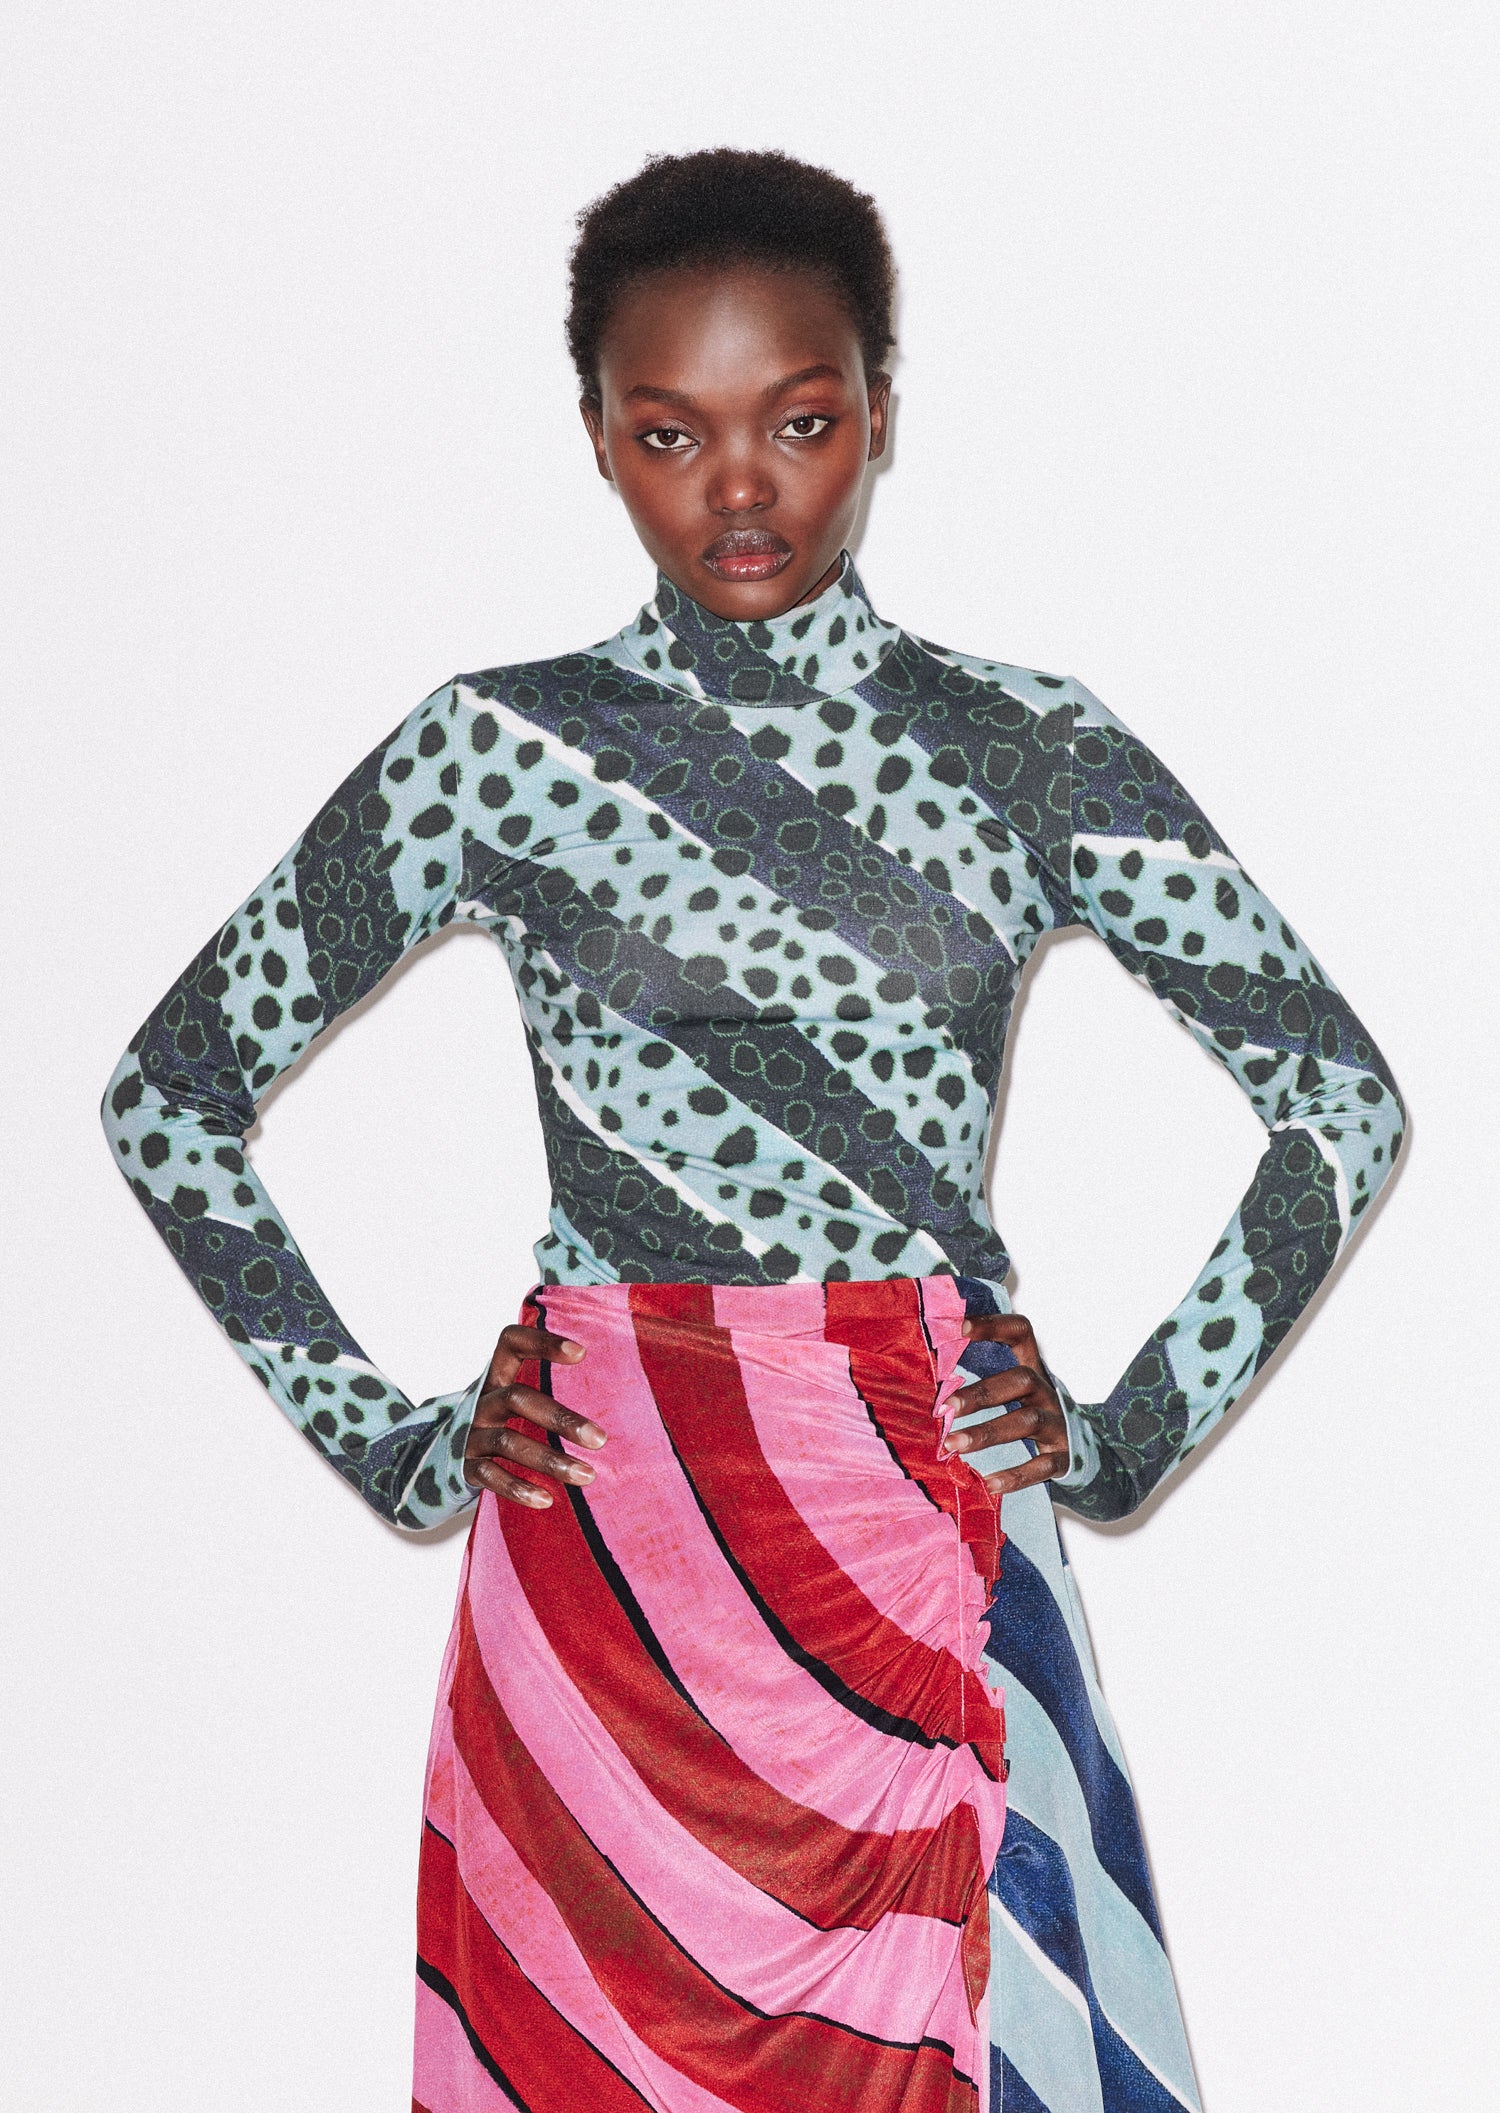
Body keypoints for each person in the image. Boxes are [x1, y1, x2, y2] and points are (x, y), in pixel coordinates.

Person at [102, 148, 1403, 2113]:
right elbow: (169, 1094)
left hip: (919, 1527)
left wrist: (1126, 1430)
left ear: (880, 406)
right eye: (669, 431)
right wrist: (393, 1435)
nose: (738, 487)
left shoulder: (1029, 746)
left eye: (799, 421)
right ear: (596, 438)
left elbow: (1338, 1098)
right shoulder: (497, 749)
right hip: (608, 1565)